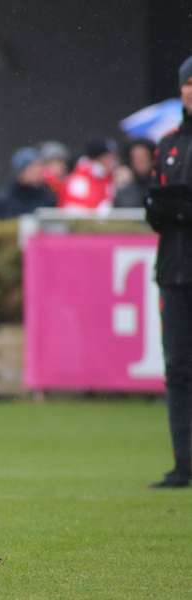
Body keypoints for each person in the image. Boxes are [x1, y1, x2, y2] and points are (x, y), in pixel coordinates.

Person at [145, 54, 192, 489]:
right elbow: (155, 206)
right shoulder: (169, 145)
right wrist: (163, 208)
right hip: (175, 271)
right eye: (188, 83)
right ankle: (184, 464)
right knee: (178, 369)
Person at [0, 147, 56, 218]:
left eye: (40, 166)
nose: (38, 171)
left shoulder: (48, 197)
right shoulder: (3, 200)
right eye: (33, 167)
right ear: (21, 172)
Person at [58, 138, 118, 212]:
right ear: (98, 158)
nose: (113, 161)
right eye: (108, 157)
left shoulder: (110, 177)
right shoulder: (79, 178)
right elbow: (72, 208)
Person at [114, 138, 156, 208]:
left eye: (143, 157)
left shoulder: (160, 187)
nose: (139, 161)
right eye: (135, 157)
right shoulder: (124, 190)